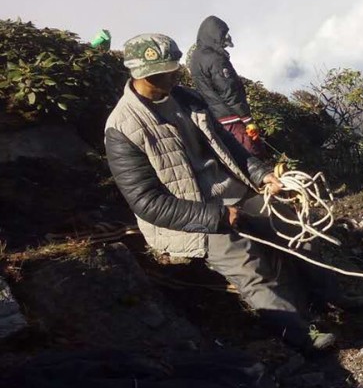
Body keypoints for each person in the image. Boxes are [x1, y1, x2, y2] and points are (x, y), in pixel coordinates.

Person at [104, 33, 334, 352]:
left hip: (234, 191)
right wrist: (215, 216)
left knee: (295, 229)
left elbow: (229, 149)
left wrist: (262, 174)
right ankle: (299, 336)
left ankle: (331, 297)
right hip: (194, 217)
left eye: (172, 68)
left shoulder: (187, 99)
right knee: (250, 267)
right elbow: (146, 202)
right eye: (163, 72)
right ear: (140, 74)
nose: (172, 76)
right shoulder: (122, 129)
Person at [186, 15, 265, 157]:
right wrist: (247, 120)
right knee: (251, 155)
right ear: (216, 36)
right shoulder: (216, 59)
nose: (223, 45)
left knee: (235, 156)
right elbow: (229, 91)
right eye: (223, 41)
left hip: (216, 118)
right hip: (231, 118)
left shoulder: (196, 57)